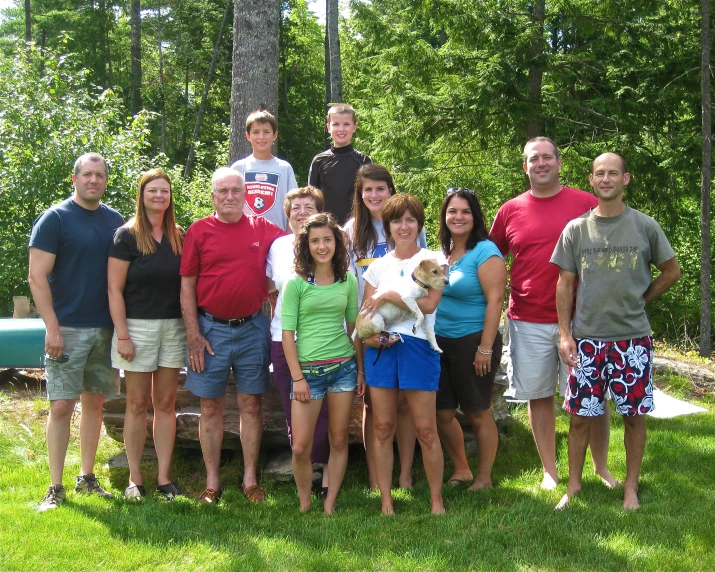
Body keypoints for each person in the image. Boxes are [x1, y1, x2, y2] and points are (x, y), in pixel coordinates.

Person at [551, 152, 680, 510]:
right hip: (587, 341)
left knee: (634, 417)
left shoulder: (644, 226)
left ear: (625, 179)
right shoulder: (576, 229)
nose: (606, 179)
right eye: (599, 174)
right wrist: (565, 335)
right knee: (580, 418)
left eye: (613, 173)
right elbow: (564, 284)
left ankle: (630, 489)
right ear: (591, 180)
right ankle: (573, 487)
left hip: (632, 340)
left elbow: (671, 271)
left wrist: (643, 298)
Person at [490, 137, 616, 490]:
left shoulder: (587, 203)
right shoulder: (510, 210)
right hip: (527, 317)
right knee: (539, 394)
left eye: (547, 157)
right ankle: (550, 470)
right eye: (534, 159)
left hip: (584, 318)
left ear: (559, 163)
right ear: (525, 167)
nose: (541, 163)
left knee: (594, 396)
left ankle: (601, 467)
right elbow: (490, 258)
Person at [180, 167, 284, 504]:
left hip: (254, 327)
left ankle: (250, 479)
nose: (229, 197)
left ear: (245, 196)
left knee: (251, 405)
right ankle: (212, 483)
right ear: (212, 196)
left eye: (235, 191)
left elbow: (297, 246)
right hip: (210, 331)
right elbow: (187, 287)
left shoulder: (262, 228)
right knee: (210, 407)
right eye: (222, 191)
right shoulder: (199, 231)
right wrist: (194, 334)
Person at [29, 152, 124, 511]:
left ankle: (87, 477)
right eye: (87, 175)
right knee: (61, 406)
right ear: (75, 179)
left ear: (105, 180)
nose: (93, 180)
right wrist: (51, 327)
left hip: (105, 328)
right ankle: (55, 486)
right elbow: (36, 277)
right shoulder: (55, 219)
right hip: (66, 328)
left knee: (95, 404)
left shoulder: (115, 221)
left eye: (100, 175)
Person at [359, 194, 446, 515]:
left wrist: (392, 295)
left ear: (419, 225)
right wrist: (371, 338)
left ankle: (436, 500)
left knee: (425, 428)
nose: (404, 226)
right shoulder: (377, 267)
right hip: (383, 349)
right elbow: (367, 312)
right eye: (397, 220)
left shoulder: (432, 258)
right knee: (382, 427)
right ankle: (386, 502)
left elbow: (429, 304)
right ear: (387, 226)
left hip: (419, 347)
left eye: (410, 220)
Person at [344, 164, 426, 490]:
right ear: (360, 195)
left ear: (391, 190)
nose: (374, 195)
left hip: (407, 325)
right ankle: (377, 476)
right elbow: (350, 283)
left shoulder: (408, 222)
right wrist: (364, 331)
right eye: (368, 190)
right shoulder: (351, 230)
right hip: (368, 326)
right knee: (372, 403)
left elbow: (421, 277)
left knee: (405, 400)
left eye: (381, 188)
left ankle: (405, 474)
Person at [107, 169, 186, 500]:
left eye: (164, 191)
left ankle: (165, 478)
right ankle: (135, 479)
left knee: (166, 403)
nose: (159, 196)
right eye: (152, 191)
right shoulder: (126, 236)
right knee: (137, 403)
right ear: (141, 195)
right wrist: (122, 334)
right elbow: (114, 288)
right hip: (136, 327)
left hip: (173, 327)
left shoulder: (180, 234)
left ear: (170, 197)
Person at [281, 213, 365, 514]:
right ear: (306, 244)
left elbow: (354, 329)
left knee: (339, 439)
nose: (321, 246)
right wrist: (298, 378)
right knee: (301, 447)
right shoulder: (296, 284)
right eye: (315, 240)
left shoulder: (348, 280)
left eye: (327, 239)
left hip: (343, 368)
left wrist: (360, 370)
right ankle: (305, 502)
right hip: (308, 374)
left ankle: (330, 502)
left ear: (337, 243)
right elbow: (287, 335)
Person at [434, 187, 506, 490]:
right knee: (442, 412)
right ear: (444, 216)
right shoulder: (442, 252)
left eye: (465, 211)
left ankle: (484, 477)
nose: (458, 216)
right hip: (440, 343)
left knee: (477, 412)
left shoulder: (485, 251)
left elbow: (495, 300)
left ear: (475, 216)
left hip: (474, 341)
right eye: (452, 211)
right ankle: (461, 469)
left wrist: (485, 348)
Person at [266, 186, 331, 496]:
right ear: (287, 215)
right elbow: (270, 287)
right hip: (283, 338)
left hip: (324, 340)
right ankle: (305, 469)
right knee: (294, 405)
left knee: (326, 409)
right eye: (296, 208)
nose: (302, 212)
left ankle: (325, 471)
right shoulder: (277, 246)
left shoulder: (332, 244)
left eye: (309, 207)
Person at [230, 109, 298, 231]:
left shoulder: (284, 168)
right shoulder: (238, 167)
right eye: (256, 132)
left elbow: (293, 207)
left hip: (276, 237)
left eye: (266, 132)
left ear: (275, 135)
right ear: (248, 136)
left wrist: (289, 237)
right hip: (244, 234)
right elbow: (229, 204)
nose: (261, 137)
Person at [308, 103, 372, 224]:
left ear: (354, 127)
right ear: (328, 127)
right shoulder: (319, 160)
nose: (341, 129)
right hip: (326, 227)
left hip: (357, 225)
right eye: (336, 124)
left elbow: (371, 195)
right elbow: (311, 198)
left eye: (346, 124)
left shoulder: (363, 160)